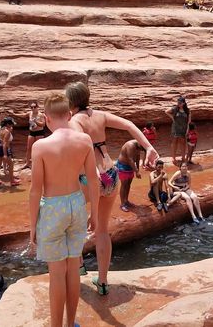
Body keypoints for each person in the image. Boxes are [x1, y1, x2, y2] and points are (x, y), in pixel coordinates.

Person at [65, 81, 158, 295]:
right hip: (111, 175)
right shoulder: (100, 115)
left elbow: (83, 143)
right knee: (102, 231)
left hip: (91, 178)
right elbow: (129, 125)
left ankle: (79, 264)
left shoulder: (74, 121)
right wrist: (149, 147)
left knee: (71, 220)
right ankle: (103, 282)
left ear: (70, 102)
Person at [29, 92, 99, 327]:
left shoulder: (40, 146)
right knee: (72, 268)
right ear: (69, 115)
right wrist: (95, 214)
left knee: (57, 273)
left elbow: (35, 190)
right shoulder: (85, 141)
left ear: (46, 119)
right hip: (77, 204)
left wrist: (32, 227)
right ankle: (71, 324)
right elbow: (93, 179)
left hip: (52, 208)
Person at [116, 139, 147, 212]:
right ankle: (122, 204)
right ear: (140, 144)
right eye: (141, 149)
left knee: (128, 184)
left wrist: (138, 170)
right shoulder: (130, 145)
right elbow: (130, 159)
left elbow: (137, 157)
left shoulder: (139, 146)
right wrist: (136, 171)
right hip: (123, 166)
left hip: (131, 166)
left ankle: (126, 201)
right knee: (124, 184)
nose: (140, 150)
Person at [0, 117, 19, 187]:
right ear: (8, 124)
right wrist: (5, 154)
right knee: (11, 164)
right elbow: (5, 143)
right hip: (4, 149)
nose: (12, 125)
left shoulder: (0, 129)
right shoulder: (7, 131)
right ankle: (12, 181)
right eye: (11, 124)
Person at [165, 96, 191, 164]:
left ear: (184, 103)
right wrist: (172, 118)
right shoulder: (175, 109)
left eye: (180, 103)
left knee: (183, 143)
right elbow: (166, 111)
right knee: (174, 143)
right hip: (176, 128)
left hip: (183, 128)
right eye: (178, 102)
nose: (178, 104)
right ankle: (173, 158)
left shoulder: (187, 110)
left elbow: (189, 121)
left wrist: (188, 129)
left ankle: (183, 157)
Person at [23, 102, 46, 170]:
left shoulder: (41, 115)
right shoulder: (30, 113)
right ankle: (27, 163)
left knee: (39, 149)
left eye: (34, 107)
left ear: (37, 107)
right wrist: (13, 113)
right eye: (31, 107)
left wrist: (36, 121)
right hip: (32, 132)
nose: (33, 108)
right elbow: (23, 115)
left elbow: (43, 124)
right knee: (29, 148)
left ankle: (39, 163)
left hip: (39, 132)